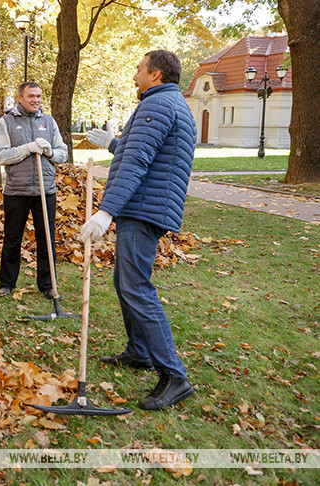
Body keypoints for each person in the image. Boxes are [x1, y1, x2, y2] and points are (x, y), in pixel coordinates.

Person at [82, 50, 197, 411]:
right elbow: (141, 151)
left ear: (156, 74)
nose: (135, 76)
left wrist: (105, 213)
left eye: (138, 69)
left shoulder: (159, 105)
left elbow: (137, 163)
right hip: (147, 204)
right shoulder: (167, 103)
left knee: (136, 286)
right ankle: (140, 351)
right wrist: (111, 144)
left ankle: (174, 375)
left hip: (144, 208)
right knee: (125, 281)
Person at [0, 81, 68, 298]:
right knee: (13, 238)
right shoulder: (6, 121)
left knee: (47, 239)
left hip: (46, 189)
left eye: (39, 96)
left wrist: (50, 152)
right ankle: (6, 283)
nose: (36, 100)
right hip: (17, 190)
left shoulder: (49, 121)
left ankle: (47, 284)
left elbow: (63, 153)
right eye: (31, 96)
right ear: (20, 98)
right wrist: (27, 149)